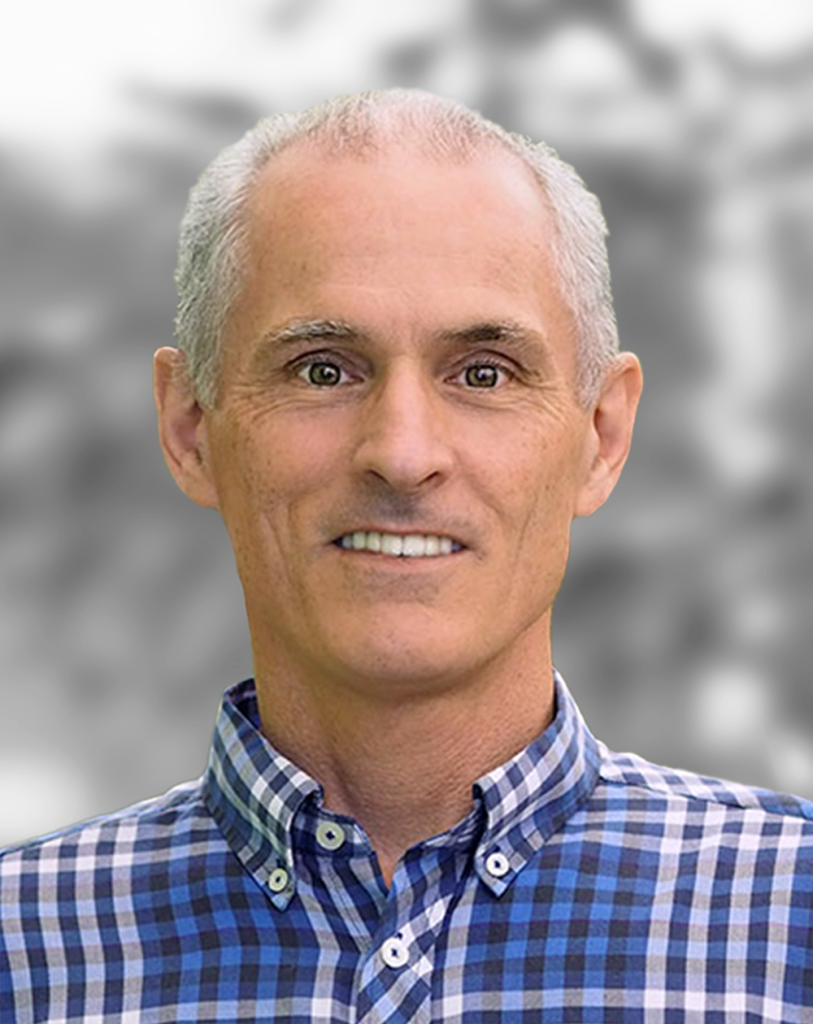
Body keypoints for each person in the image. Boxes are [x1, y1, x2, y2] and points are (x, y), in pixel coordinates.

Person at [1, 88, 810, 1024]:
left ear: (600, 433)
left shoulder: (790, 924)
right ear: (190, 428)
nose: (403, 450)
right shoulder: (24, 950)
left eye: (482, 373)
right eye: (322, 370)